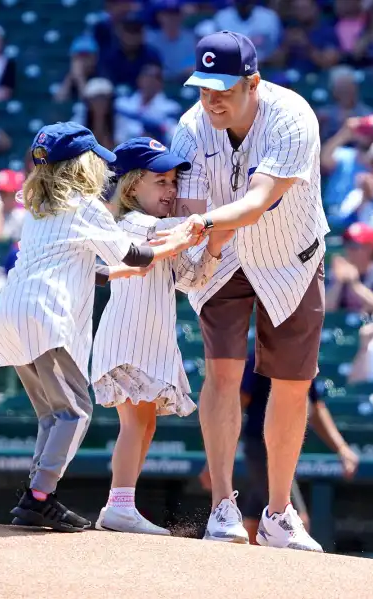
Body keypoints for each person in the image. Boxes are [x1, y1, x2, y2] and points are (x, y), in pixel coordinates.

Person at [0, 122, 197, 533]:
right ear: (81, 165)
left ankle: (37, 494)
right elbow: (135, 255)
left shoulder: (37, 207)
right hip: (45, 316)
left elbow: (98, 269)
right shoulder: (83, 204)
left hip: (12, 314)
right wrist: (185, 238)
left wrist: (119, 272)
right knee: (74, 412)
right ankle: (38, 497)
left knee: (52, 416)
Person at [169, 30, 327, 551]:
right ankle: (221, 508)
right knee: (221, 374)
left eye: (223, 88)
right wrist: (199, 245)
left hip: (289, 257)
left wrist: (204, 228)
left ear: (252, 82)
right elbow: (191, 210)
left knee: (292, 380)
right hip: (222, 253)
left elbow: (259, 201)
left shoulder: (292, 116)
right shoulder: (190, 128)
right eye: (203, 87)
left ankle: (280, 514)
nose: (212, 99)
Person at [90, 137, 231, 535]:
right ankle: (118, 503)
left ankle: (121, 503)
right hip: (129, 338)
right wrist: (218, 218)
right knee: (135, 423)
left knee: (145, 424)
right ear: (132, 185)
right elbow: (179, 230)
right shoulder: (136, 223)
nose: (171, 191)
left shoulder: (162, 231)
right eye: (160, 181)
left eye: (173, 182)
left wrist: (214, 244)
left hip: (147, 340)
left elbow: (191, 279)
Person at [205, 351, 358, 545]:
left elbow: (316, 407)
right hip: (260, 449)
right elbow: (238, 400)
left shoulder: (299, 352)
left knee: (253, 516)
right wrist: (217, 459)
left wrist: (341, 448)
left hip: (281, 450)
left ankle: (248, 566)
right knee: (294, 518)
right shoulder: (259, 355)